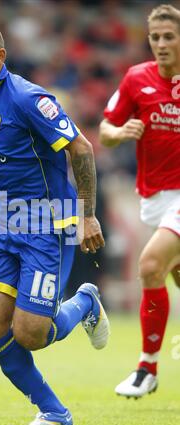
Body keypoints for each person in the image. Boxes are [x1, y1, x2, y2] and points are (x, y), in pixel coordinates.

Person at [0, 23, 110, 425]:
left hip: (45, 222)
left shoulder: (27, 99)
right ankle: (53, 411)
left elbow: (81, 147)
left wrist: (87, 214)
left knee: (32, 333)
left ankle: (85, 302)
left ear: (0, 57)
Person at [100, 4, 180, 399]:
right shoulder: (137, 78)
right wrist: (121, 130)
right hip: (154, 199)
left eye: (169, 36)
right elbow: (104, 130)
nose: (161, 44)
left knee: (149, 265)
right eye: (155, 37)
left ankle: (146, 368)